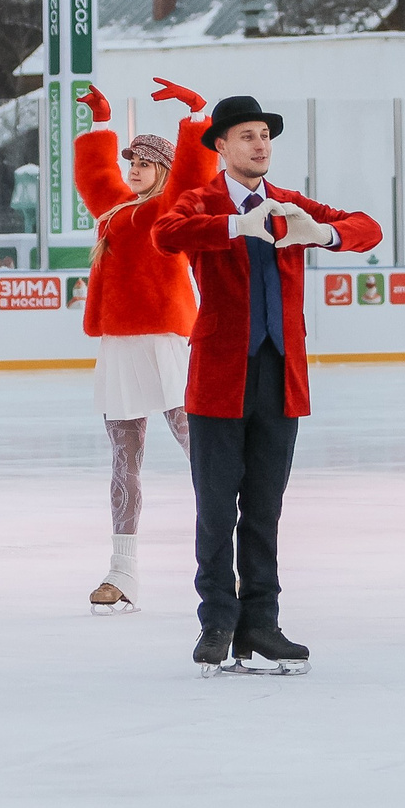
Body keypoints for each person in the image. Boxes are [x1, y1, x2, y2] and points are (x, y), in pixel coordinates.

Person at [155, 95, 382, 676]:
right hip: (218, 378)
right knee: (215, 506)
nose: (260, 145)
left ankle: (261, 623)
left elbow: (368, 228)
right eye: (247, 136)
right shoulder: (202, 200)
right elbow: (167, 234)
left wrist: (324, 234)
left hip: (280, 376)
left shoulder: (289, 203)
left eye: (265, 136)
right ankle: (217, 622)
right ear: (222, 147)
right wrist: (235, 224)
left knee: (264, 507)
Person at [71, 76, 218, 613]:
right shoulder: (113, 210)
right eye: (130, 161)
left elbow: (193, 173)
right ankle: (122, 571)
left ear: (162, 170)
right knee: (123, 461)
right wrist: (102, 123)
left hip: (165, 342)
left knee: (200, 450)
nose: (133, 169)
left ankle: (229, 558)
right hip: (119, 346)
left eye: (145, 163)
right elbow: (93, 175)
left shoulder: (171, 210)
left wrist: (197, 113)